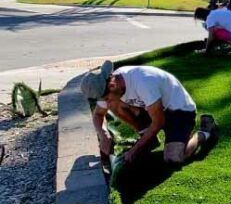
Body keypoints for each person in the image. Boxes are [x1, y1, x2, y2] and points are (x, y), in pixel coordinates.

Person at [80, 61, 218, 165]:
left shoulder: (143, 81)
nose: (106, 103)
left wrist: (136, 149)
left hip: (179, 111)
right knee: (116, 105)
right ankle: (150, 141)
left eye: (107, 99)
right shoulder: (110, 86)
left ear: (112, 85)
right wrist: (104, 135)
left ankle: (203, 132)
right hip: (152, 109)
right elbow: (98, 115)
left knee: (174, 157)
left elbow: (159, 121)